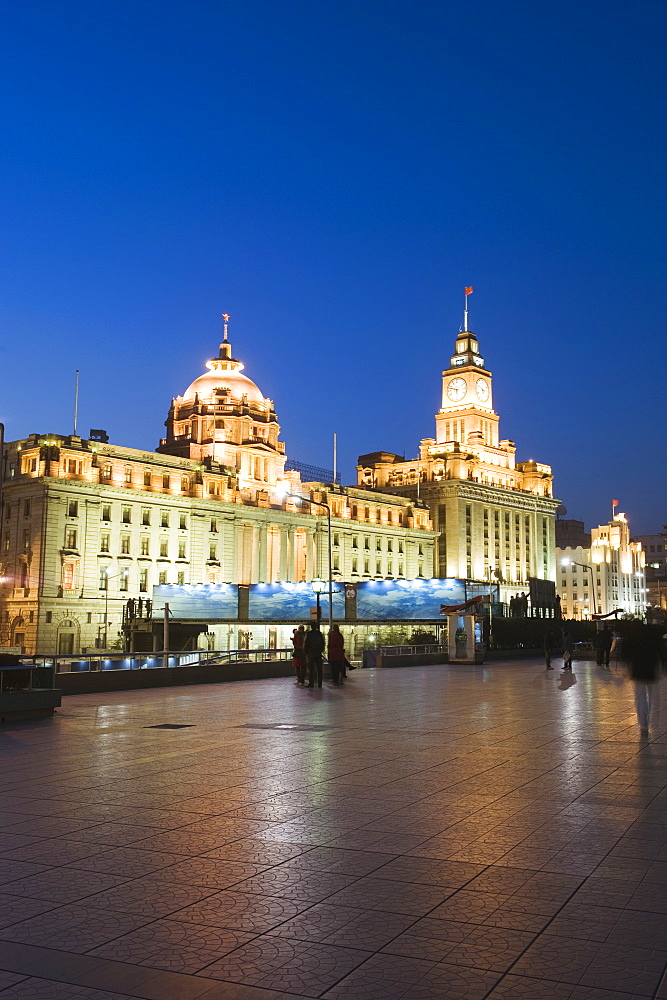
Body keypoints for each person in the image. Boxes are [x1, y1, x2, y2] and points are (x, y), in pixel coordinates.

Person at [621, 624, 663, 736]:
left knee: (640, 697)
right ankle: (649, 719)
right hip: (650, 669)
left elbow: (625, 652)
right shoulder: (652, 638)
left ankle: (643, 723)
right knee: (652, 696)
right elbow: (661, 651)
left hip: (638, 670)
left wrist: (627, 667)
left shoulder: (633, 638)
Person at [304, 622, 324, 688]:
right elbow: (323, 643)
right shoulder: (319, 634)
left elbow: (306, 644)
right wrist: (321, 650)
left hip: (311, 654)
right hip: (318, 653)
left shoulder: (309, 634)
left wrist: (306, 652)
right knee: (319, 669)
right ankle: (319, 683)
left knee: (311, 669)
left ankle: (311, 683)